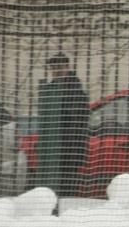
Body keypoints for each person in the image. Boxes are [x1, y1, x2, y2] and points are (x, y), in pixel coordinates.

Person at [34, 51, 89, 203]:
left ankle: (66, 215)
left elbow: (79, 119)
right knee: (51, 187)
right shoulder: (50, 90)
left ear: (67, 67)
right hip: (53, 147)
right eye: (53, 67)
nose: (56, 70)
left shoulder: (75, 91)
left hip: (70, 148)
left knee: (67, 187)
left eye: (59, 67)